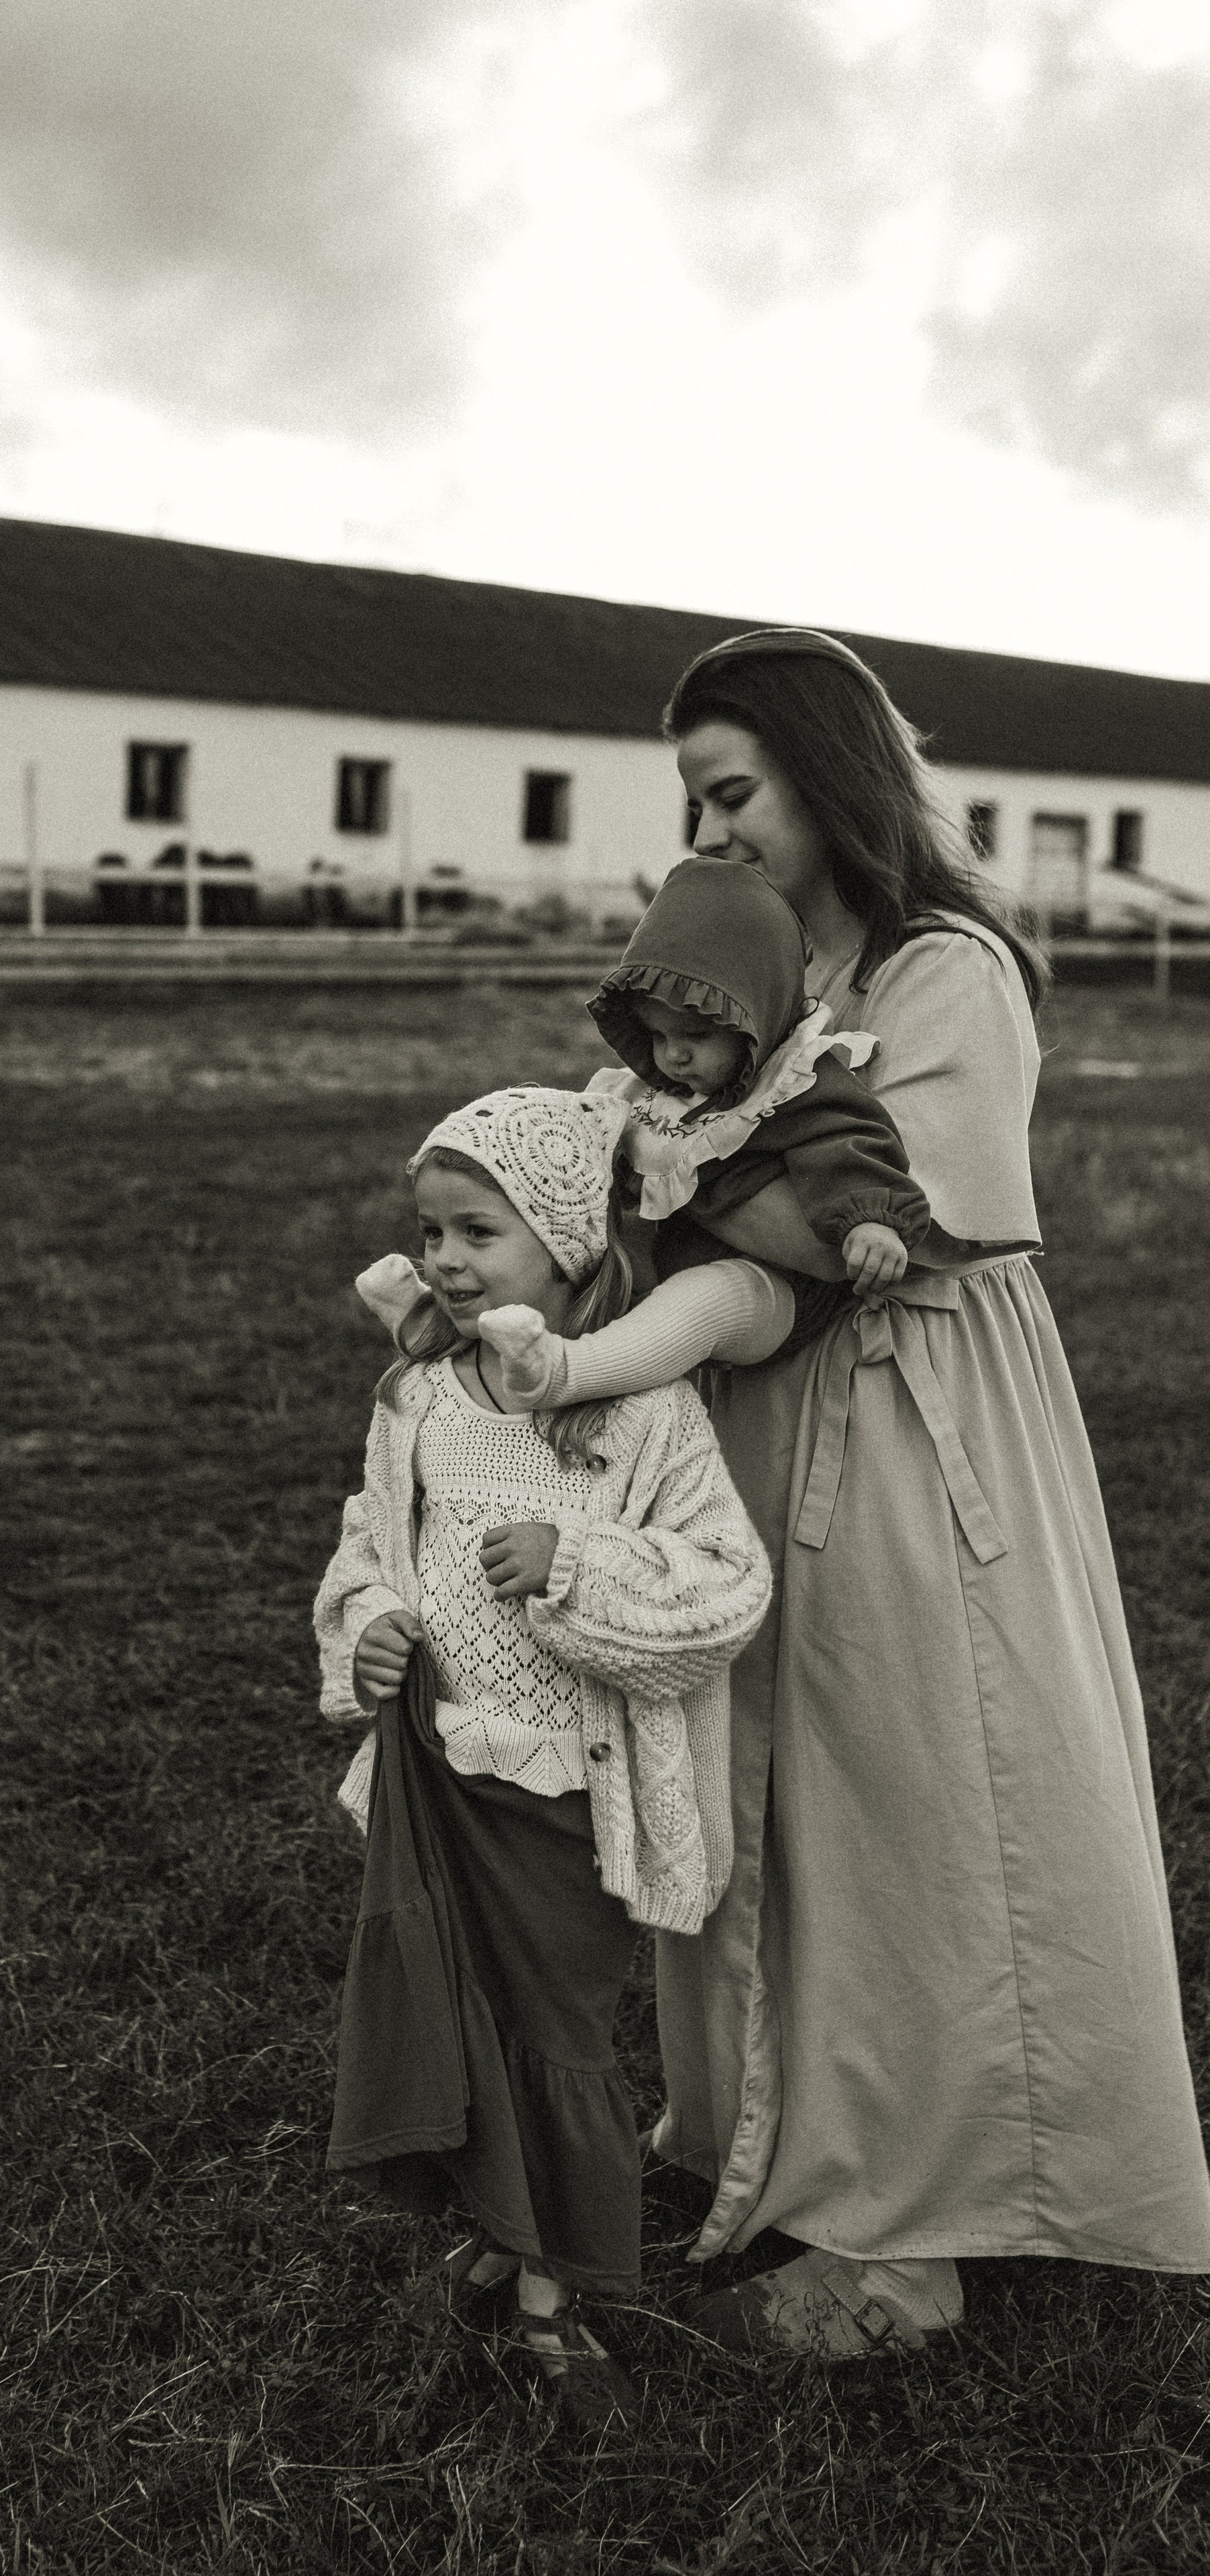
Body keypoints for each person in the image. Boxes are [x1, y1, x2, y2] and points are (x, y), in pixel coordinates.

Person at [506, 626, 1210, 2357]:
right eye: (691, 797)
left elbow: (848, 1224)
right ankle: (791, 2138)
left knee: (921, 1779)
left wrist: (648, 1190)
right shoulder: (769, 974)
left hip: (915, 1417)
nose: (710, 829)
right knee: (774, 1783)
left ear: (831, 777)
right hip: (762, 1409)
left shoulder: (941, 968)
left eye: (733, 789)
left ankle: (917, 2234)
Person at [314, 1084, 771, 2426]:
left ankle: (548, 2298)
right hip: (439, 1776)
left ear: (570, 1244)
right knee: (453, 2016)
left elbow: (721, 1590)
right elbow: (368, 1547)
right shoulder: (418, 1400)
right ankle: (514, 2257)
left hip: (567, 1800)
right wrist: (377, 1630)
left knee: (552, 2034)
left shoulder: (643, 1418)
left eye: (477, 1234)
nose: (444, 1261)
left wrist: (572, 1565)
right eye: (429, 1232)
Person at [360, 851, 1030, 1407]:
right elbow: (577, 1136)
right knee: (566, 1265)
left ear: (756, 1017)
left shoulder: (797, 1082)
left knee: (702, 1301)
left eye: (696, 1035)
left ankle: (565, 1375)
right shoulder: (660, 1088)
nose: (673, 1055)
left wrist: (870, 1222)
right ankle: (434, 1331)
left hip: (773, 1289)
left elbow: (851, 1145)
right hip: (672, 1253)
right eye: (654, 1035)